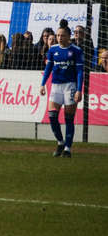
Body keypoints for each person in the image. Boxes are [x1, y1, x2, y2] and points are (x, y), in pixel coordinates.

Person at [40, 20, 84, 158]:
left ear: (68, 36)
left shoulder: (76, 50)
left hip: (70, 86)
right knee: (52, 116)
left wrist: (78, 89)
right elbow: (48, 68)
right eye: (58, 35)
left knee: (69, 119)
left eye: (62, 35)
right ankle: (60, 142)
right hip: (56, 86)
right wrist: (42, 84)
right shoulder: (53, 50)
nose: (59, 38)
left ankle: (67, 149)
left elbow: (79, 71)